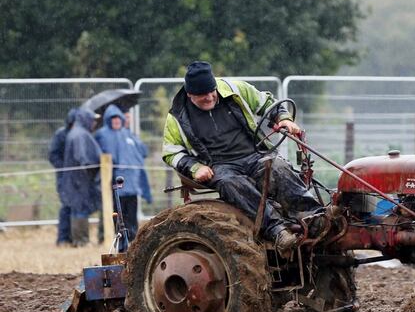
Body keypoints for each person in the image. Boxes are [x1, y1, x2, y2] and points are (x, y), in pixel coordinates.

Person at [162, 61, 327, 255]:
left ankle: (314, 217)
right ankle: (277, 231)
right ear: (189, 95)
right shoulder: (177, 116)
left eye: (211, 92)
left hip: (253, 154)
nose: (209, 98)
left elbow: (267, 103)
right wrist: (195, 167)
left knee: (278, 166)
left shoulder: (235, 90)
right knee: (230, 183)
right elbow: (171, 152)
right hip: (220, 166)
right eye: (202, 95)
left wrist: (283, 118)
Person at [95, 104, 150, 239]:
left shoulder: (128, 134)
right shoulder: (103, 135)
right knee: (116, 214)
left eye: (118, 118)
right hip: (114, 184)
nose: (116, 121)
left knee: (131, 214)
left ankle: (132, 239)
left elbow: (142, 152)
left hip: (131, 184)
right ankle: (117, 239)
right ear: (108, 120)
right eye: (113, 119)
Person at [63, 108, 102, 247]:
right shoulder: (80, 135)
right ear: (85, 119)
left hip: (76, 179)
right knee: (80, 209)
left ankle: (79, 240)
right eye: (92, 120)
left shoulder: (77, 132)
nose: (94, 123)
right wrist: (90, 167)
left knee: (78, 209)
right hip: (79, 180)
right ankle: (81, 241)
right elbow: (81, 158)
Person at [48, 108, 78, 246]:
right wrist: (65, 168)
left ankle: (72, 237)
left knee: (76, 206)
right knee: (66, 205)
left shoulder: (80, 135)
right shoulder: (61, 135)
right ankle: (63, 238)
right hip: (64, 177)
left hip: (77, 178)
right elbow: (53, 155)